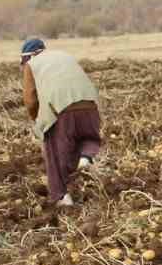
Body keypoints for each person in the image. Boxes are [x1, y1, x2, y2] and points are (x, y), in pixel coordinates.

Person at [21, 38, 102, 207]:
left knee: (54, 154)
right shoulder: (65, 55)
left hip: (62, 110)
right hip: (89, 104)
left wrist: (38, 120)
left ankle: (61, 198)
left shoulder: (32, 65)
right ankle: (86, 157)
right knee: (89, 137)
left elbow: (30, 100)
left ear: (28, 57)